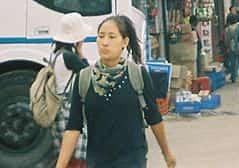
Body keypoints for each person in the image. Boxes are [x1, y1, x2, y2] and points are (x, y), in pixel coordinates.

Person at [56, 15, 176, 168]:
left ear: (124, 42)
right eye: (101, 36)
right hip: (97, 162)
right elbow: (73, 127)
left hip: (132, 160)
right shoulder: (84, 78)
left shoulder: (137, 74)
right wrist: (60, 165)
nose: (105, 42)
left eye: (112, 37)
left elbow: (154, 118)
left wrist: (167, 153)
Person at [51, 13, 91, 166]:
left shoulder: (56, 55)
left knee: (64, 152)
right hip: (68, 110)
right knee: (77, 152)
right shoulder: (70, 57)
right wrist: (81, 52)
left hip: (58, 108)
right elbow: (89, 74)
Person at [225, 20, 239, 84]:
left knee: (233, 62)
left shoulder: (228, 29)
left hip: (231, 46)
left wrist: (227, 46)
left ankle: (233, 77)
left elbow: (227, 39)